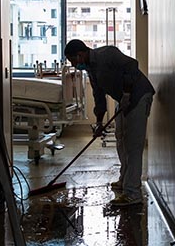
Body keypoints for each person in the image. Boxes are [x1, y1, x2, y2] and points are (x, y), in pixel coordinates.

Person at [64, 39, 155, 207]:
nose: (74, 65)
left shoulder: (107, 54)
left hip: (139, 95)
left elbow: (132, 65)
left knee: (133, 144)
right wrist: (98, 123)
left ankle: (133, 193)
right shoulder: (91, 70)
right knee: (120, 139)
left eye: (73, 60)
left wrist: (127, 93)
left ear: (81, 53)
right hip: (124, 98)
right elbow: (99, 98)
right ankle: (125, 179)